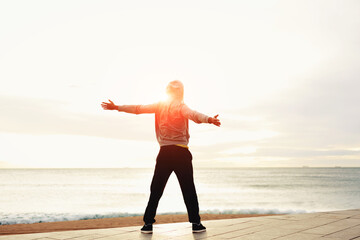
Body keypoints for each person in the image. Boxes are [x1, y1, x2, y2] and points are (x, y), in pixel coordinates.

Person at [101, 80, 221, 234]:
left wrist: (117, 107)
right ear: (181, 92)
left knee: (156, 189)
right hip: (181, 153)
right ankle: (196, 224)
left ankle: (148, 224)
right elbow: (194, 115)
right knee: (188, 189)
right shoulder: (180, 106)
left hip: (164, 153)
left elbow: (138, 109)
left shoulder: (159, 105)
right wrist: (209, 119)